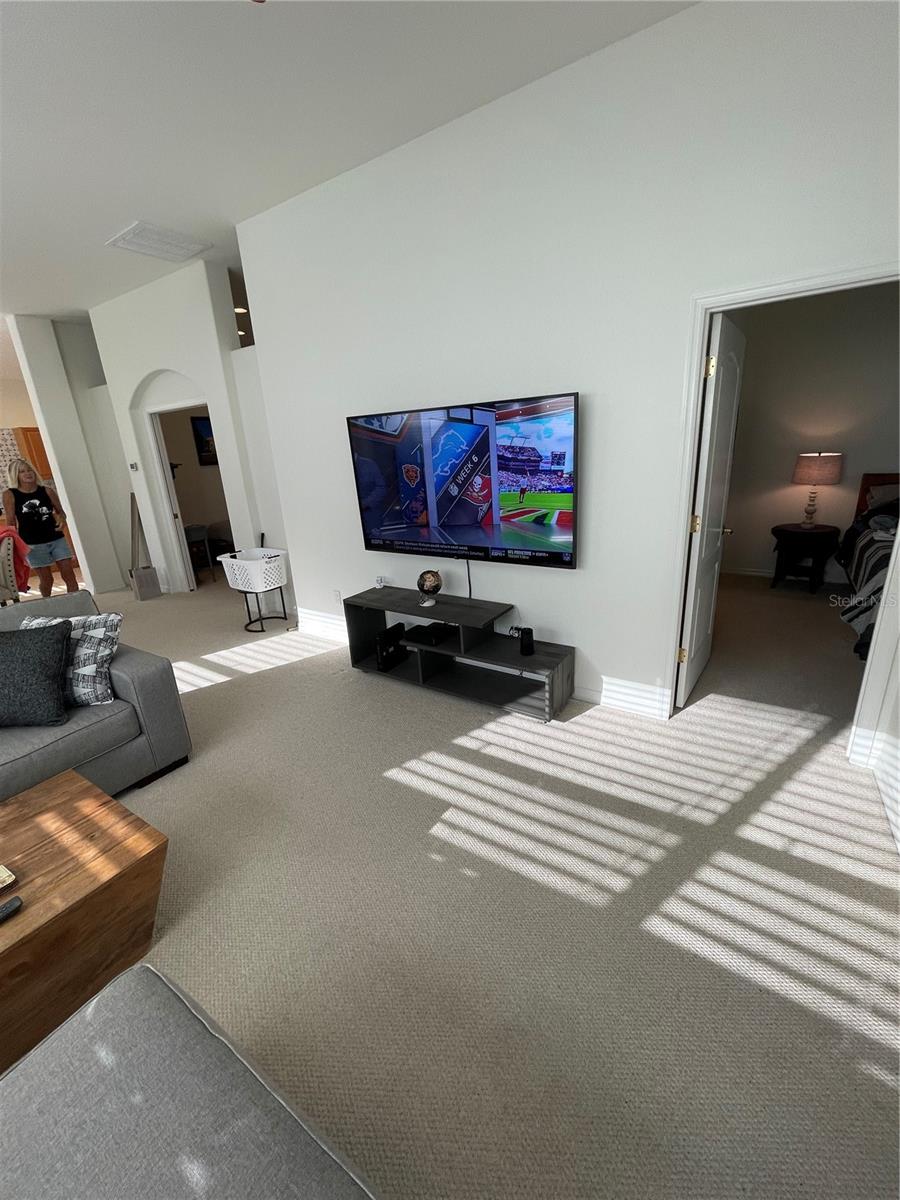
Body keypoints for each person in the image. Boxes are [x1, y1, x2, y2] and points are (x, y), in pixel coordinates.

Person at [2, 458, 78, 597]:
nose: (28, 473)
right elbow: (11, 522)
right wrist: (15, 545)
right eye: (22, 471)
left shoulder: (47, 491)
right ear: (15, 475)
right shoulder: (10, 494)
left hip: (57, 539)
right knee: (47, 580)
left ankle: (77, 603)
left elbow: (61, 512)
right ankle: (47, 604)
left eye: (29, 470)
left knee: (69, 575)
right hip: (32, 544)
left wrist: (62, 519)